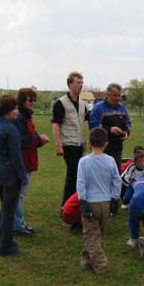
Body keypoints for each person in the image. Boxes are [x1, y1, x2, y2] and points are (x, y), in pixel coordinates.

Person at [0, 95, 28, 256]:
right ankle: (6, 246)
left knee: (5, 207)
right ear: (8, 111)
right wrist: (22, 176)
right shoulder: (11, 130)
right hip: (10, 174)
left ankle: (0, 240)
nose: (17, 111)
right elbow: (16, 157)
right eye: (15, 108)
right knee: (9, 210)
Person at [77, 128, 121, 274]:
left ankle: (100, 265)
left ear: (89, 143)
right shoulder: (110, 161)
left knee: (91, 234)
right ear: (106, 143)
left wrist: (82, 201)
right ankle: (86, 260)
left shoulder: (83, 161)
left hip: (90, 202)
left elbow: (81, 182)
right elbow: (116, 180)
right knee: (97, 234)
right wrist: (115, 198)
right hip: (105, 203)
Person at [12, 88, 49, 236]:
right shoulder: (21, 118)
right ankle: (18, 225)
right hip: (23, 161)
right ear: (22, 101)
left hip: (27, 159)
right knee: (19, 195)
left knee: (19, 194)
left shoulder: (25, 117)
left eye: (34, 100)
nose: (33, 103)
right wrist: (40, 140)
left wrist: (38, 139)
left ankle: (16, 223)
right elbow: (23, 141)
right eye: (30, 100)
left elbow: (29, 136)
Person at [51, 71, 89, 209]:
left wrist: (84, 141)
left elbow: (83, 122)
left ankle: (70, 204)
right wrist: (58, 144)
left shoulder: (83, 103)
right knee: (74, 174)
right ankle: (68, 205)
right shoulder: (60, 103)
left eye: (82, 82)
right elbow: (56, 124)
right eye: (78, 82)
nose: (81, 85)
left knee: (75, 174)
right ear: (70, 84)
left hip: (78, 143)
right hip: (67, 143)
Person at [89, 83, 131, 170]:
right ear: (107, 94)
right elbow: (93, 126)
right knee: (100, 174)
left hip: (117, 148)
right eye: (115, 95)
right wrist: (109, 129)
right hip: (100, 148)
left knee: (115, 174)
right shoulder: (98, 108)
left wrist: (126, 132)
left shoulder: (122, 109)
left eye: (119, 95)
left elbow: (128, 123)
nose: (117, 98)